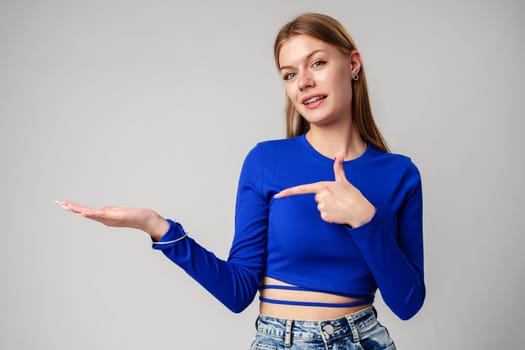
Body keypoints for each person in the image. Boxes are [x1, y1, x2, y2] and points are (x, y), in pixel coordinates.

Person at [57, 12, 424, 350]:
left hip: (363, 340)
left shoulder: (399, 174)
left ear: (353, 63)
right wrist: (157, 227)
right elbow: (238, 292)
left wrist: (364, 220)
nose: (305, 82)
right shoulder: (266, 161)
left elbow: (407, 303)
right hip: (277, 340)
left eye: (318, 63)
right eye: (290, 74)